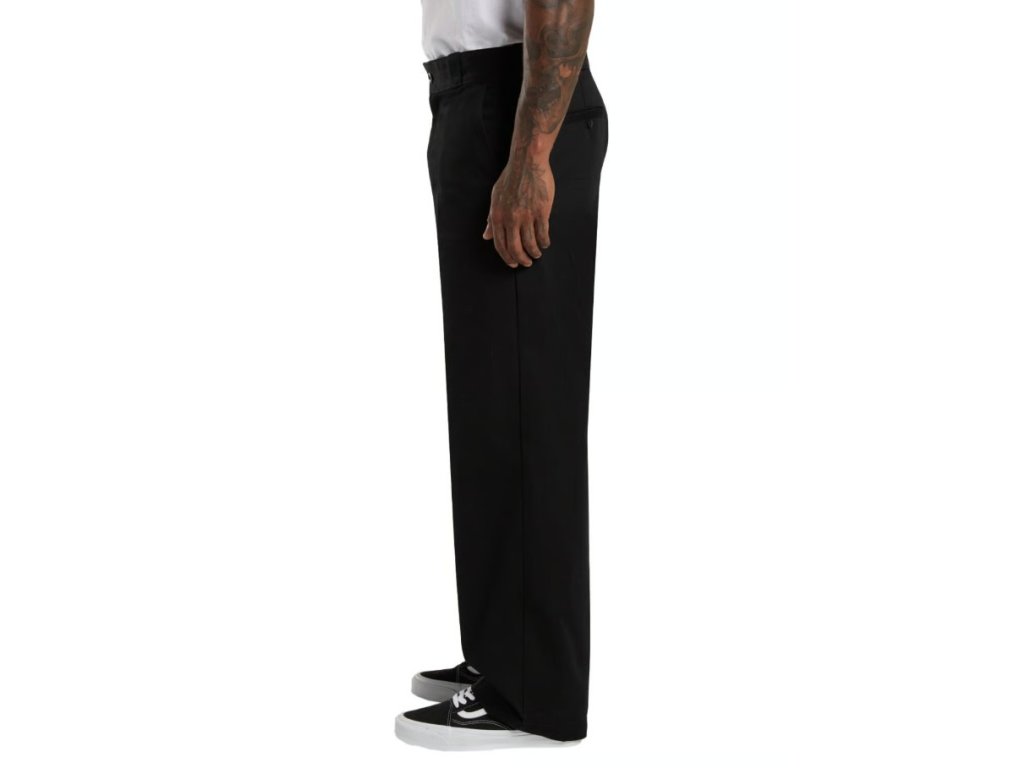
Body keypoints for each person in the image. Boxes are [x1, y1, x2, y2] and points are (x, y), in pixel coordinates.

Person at [394, 0, 608, 751]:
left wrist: (530, 156)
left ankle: (534, 695)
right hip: (474, 99)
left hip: (515, 110)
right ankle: (502, 651)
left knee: (525, 411)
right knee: (493, 408)